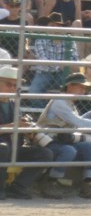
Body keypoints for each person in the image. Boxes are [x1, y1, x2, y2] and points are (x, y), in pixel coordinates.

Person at [36, 72, 91, 200]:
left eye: (84, 88)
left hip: (62, 139)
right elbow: (77, 122)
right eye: (80, 87)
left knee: (89, 146)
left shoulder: (69, 102)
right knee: (69, 150)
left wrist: (90, 113)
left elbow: (74, 122)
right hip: (49, 141)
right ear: (69, 86)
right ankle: (49, 182)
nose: (83, 91)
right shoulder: (60, 101)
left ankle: (87, 185)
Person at [0, 66, 54, 200]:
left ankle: (18, 187)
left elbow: (18, 125)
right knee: (3, 149)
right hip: (3, 149)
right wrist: (15, 126)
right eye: (8, 84)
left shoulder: (14, 103)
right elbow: (13, 126)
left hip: (13, 148)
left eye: (15, 85)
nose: (13, 88)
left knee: (45, 154)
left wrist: (28, 131)